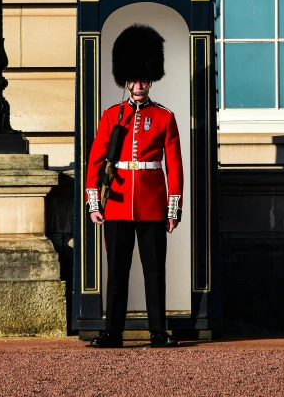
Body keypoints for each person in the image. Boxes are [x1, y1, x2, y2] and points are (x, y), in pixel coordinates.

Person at [85, 24, 184, 349]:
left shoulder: (164, 118)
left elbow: (174, 166)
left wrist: (173, 208)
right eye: (134, 80)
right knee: (117, 273)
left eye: (143, 80)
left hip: (153, 204)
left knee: (154, 273)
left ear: (150, 80)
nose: (139, 85)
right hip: (116, 203)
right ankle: (113, 332)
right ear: (126, 81)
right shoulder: (112, 116)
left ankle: (158, 331)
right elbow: (96, 161)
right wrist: (94, 203)